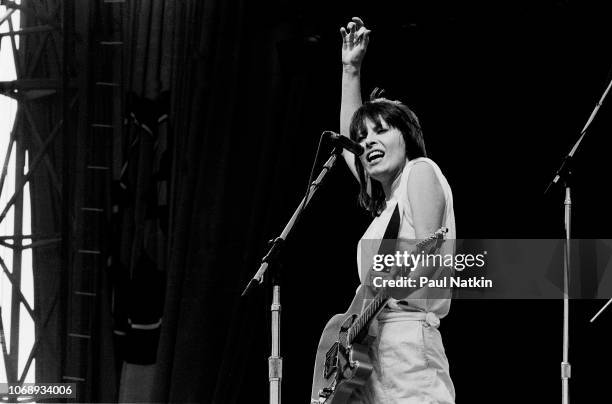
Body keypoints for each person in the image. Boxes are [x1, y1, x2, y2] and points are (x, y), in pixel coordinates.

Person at [339, 17, 456, 404]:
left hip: (408, 345)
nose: (368, 142)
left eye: (381, 131)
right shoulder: (383, 209)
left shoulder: (419, 173)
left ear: (406, 137)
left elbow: (428, 254)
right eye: (363, 137)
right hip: (373, 352)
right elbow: (347, 145)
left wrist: (402, 280)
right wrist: (350, 69)